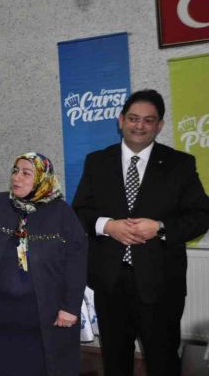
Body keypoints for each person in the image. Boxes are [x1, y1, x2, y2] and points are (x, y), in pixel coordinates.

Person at [72, 89, 209, 376]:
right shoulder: (97, 161)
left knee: (163, 361)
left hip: (161, 284)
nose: (140, 126)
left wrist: (160, 227)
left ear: (159, 125)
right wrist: (108, 226)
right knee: (115, 362)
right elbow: (80, 212)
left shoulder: (180, 164)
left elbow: (201, 216)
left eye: (149, 120)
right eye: (133, 118)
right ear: (121, 120)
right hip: (110, 283)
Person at [0, 152, 87, 376]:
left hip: (42, 318)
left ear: (42, 178)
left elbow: (76, 263)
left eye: (26, 173)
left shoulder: (61, 214)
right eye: (15, 171)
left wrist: (70, 307)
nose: (17, 177)